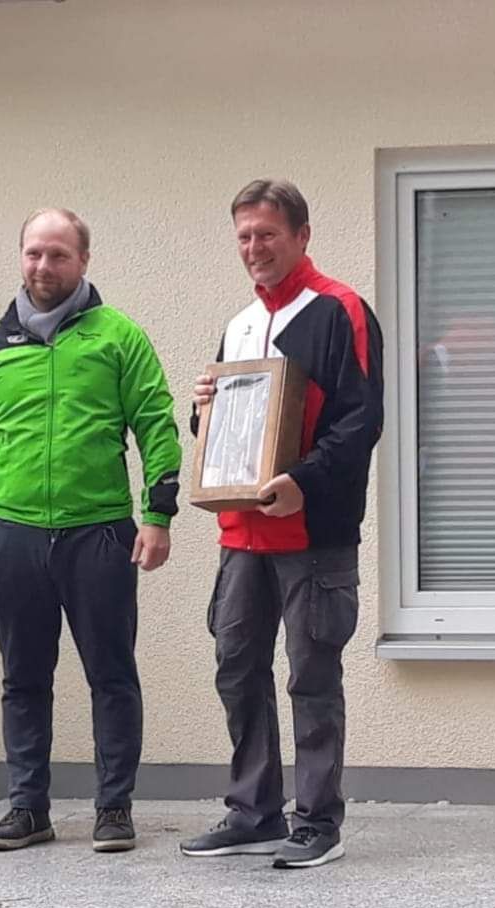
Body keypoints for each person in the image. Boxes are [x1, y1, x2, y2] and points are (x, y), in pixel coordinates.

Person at [0, 208, 181, 854]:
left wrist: (157, 516)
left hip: (98, 534)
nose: (43, 266)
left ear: (83, 261)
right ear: (21, 257)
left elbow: (156, 424)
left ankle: (114, 807)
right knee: (22, 678)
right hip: (10, 535)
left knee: (111, 674)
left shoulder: (118, 337)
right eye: (33, 253)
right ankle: (28, 808)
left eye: (58, 255)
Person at [181, 180, 383, 869]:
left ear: (301, 235)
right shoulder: (239, 324)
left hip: (312, 534)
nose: (254, 247)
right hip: (241, 533)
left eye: (266, 234)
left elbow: (360, 420)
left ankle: (317, 821)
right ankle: (253, 812)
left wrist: (304, 483)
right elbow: (228, 434)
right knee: (236, 668)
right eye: (243, 236)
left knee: (311, 676)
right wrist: (202, 410)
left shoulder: (339, 310)